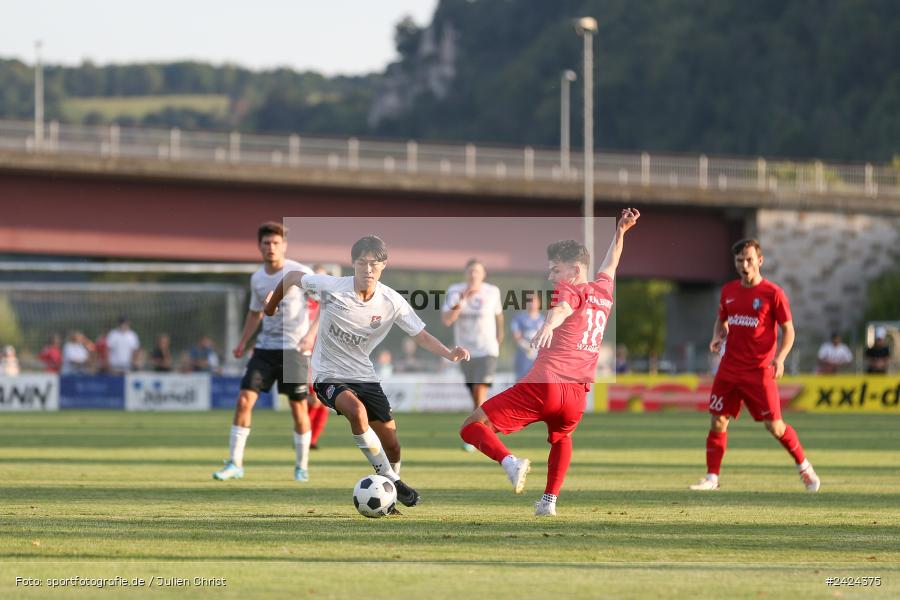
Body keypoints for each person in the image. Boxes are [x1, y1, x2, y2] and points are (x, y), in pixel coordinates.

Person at [265, 235, 470, 510]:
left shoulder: (391, 301)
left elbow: (420, 336)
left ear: (384, 265)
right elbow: (291, 276)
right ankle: (392, 480)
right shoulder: (331, 288)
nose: (368, 269)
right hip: (328, 374)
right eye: (362, 262)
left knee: (393, 445)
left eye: (374, 263)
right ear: (353, 264)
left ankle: (390, 494)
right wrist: (271, 305)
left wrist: (449, 352)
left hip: (364, 375)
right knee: (356, 411)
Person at [460, 208, 641, 517]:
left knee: (472, 426)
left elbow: (563, 308)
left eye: (555, 270)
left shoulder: (568, 289)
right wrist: (620, 233)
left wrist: (548, 325)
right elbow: (611, 264)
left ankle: (510, 462)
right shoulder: (603, 290)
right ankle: (549, 502)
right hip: (578, 395)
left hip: (547, 383)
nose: (550, 277)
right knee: (562, 438)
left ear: (573, 270)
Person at [690, 238, 820, 493]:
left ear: (760, 261)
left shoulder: (773, 293)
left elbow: (788, 330)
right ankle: (711, 477)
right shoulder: (728, 291)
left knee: (775, 427)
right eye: (740, 260)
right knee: (718, 421)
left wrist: (780, 358)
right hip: (729, 370)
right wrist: (718, 336)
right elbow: (722, 321)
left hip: (760, 372)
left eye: (749, 259)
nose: (744, 264)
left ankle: (804, 467)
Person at [212, 222, 315, 483]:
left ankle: (301, 466)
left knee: (297, 409)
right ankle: (235, 463)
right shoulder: (257, 278)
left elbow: (326, 303)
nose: (271, 248)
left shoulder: (300, 272)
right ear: (259, 246)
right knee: (244, 401)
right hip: (264, 350)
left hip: (294, 351)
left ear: (285, 246)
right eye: (267, 243)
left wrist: (310, 335)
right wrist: (243, 342)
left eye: (276, 243)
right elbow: (256, 312)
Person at [441, 259, 503, 450]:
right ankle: (482, 431)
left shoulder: (492, 292)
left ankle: (476, 436)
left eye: (477, 272)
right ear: (465, 274)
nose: (474, 275)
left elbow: (499, 316)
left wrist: (499, 338)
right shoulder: (454, 290)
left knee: (479, 390)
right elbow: (447, 320)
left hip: (487, 349)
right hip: (465, 352)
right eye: (470, 271)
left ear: (483, 274)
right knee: (475, 396)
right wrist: (463, 299)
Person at [509, 293, 543, 381]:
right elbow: (516, 335)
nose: (532, 303)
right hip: (522, 357)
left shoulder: (544, 320)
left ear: (539, 303)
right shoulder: (519, 318)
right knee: (521, 383)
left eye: (534, 301)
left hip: (538, 359)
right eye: (530, 301)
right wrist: (527, 347)